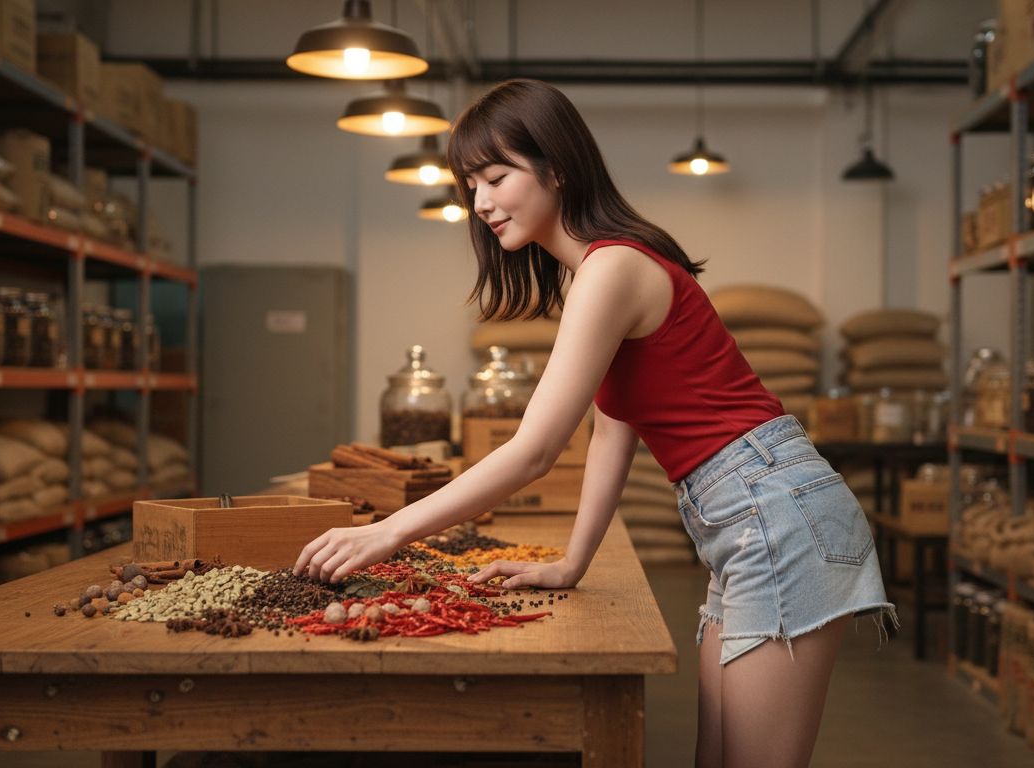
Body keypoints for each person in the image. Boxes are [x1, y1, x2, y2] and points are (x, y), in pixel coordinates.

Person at [295, 78, 895, 768]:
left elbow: (536, 451)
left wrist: (388, 531)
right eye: (471, 184)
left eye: (496, 176)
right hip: (748, 518)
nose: (481, 202)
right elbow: (614, 427)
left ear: (556, 168)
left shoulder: (613, 269)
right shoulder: (599, 273)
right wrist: (571, 561)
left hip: (777, 512)